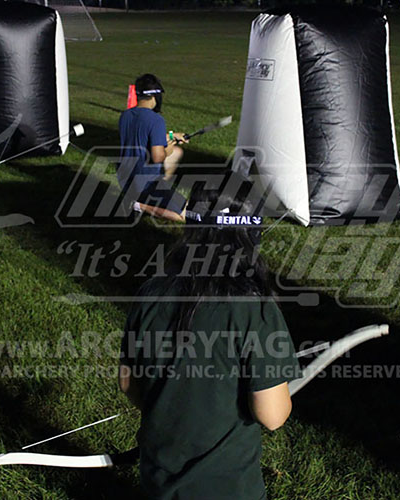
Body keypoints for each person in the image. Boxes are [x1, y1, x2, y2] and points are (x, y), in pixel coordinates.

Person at [119, 175, 301, 499]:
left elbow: (129, 385)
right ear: (250, 233)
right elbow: (272, 416)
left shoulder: (150, 293)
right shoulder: (254, 308)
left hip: (157, 484)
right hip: (228, 489)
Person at [118, 73, 188, 222]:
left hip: (125, 178)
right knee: (183, 216)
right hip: (145, 183)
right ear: (155, 96)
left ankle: (147, 198)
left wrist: (171, 136)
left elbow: (141, 137)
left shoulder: (125, 115)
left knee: (187, 205)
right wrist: (166, 150)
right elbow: (157, 157)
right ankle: (137, 205)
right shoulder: (156, 120)